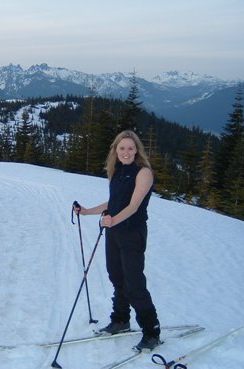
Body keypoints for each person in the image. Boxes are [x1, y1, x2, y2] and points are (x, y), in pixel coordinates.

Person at [75, 130, 161, 351]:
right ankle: (121, 320)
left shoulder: (143, 173)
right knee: (117, 277)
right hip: (114, 233)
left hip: (132, 232)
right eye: (122, 148)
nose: (126, 152)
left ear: (137, 150)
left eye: (130, 148)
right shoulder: (117, 171)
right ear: (116, 150)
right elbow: (113, 203)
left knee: (134, 284)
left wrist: (112, 221)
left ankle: (151, 331)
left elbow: (133, 206)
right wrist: (86, 212)